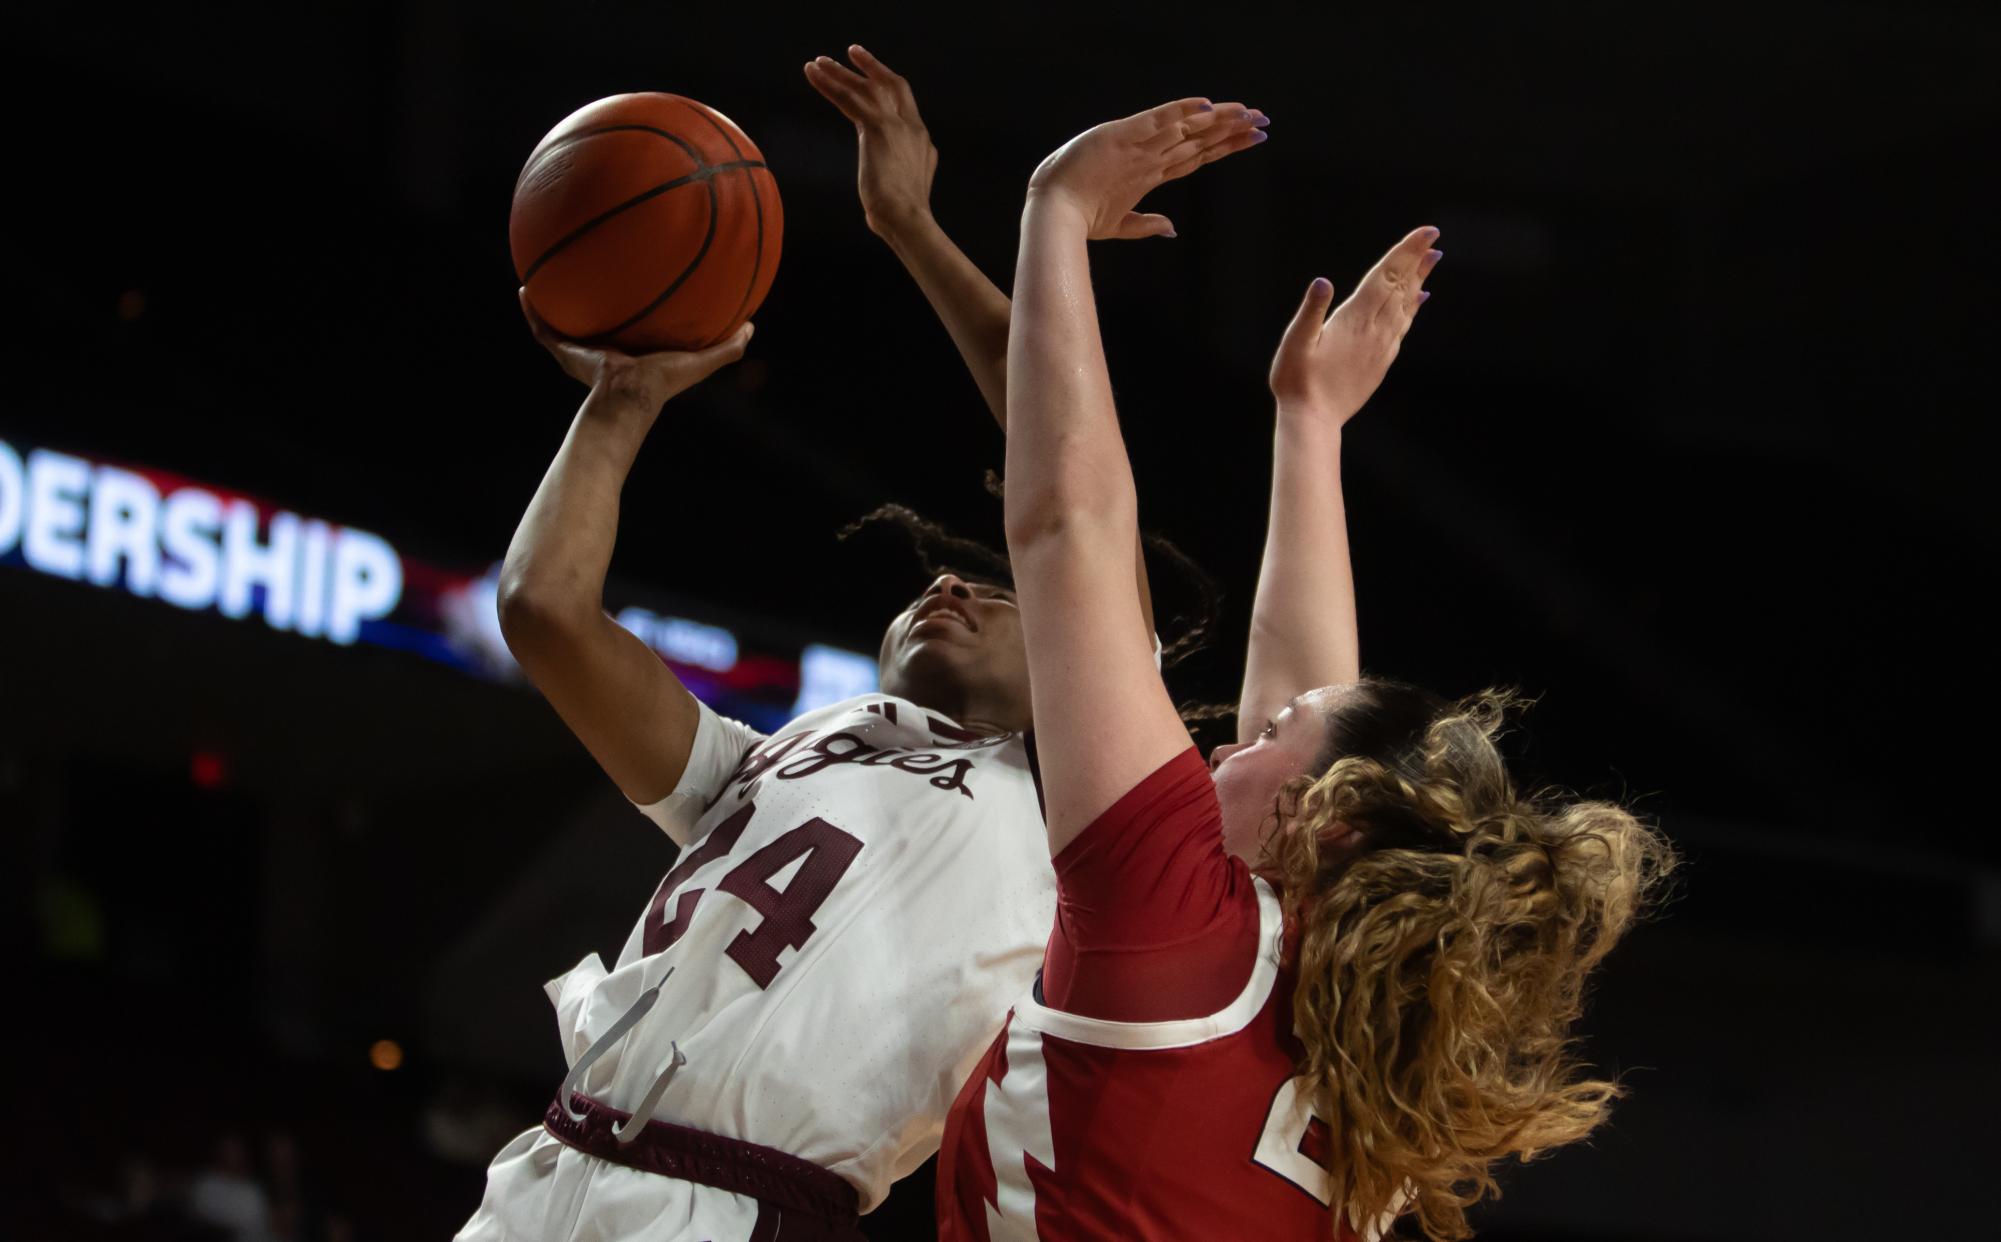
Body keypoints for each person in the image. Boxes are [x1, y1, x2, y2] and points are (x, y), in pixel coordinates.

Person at [455, 50, 1260, 1242]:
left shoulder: (1076, 815)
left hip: (745, 1212)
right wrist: (620, 401)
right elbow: (545, 612)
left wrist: (913, 231)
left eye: (1004, 594)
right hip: (540, 1176)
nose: (951, 581)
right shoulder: (771, 760)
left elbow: (1067, 474)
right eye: (944, 579)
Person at [938, 100, 1674, 1240]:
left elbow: (1065, 528)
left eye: (1266, 732)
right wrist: (1311, 424)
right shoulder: (1357, 1057)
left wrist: (1055, 214)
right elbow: (1316, 706)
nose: (1231, 735)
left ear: (1329, 821)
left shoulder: (1170, 933)